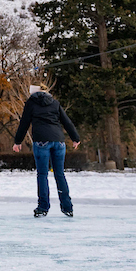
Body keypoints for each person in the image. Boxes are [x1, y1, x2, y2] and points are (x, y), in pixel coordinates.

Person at [14, 84, 81, 217]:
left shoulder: (31, 103)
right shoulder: (54, 103)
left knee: (42, 175)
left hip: (41, 142)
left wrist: (17, 141)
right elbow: (66, 121)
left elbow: (24, 123)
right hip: (59, 142)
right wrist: (75, 138)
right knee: (59, 174)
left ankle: (43, 207)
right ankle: (67, 207)